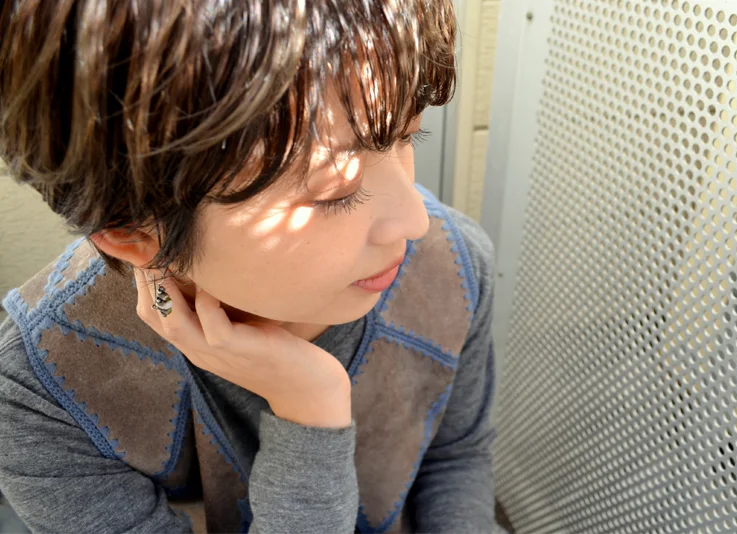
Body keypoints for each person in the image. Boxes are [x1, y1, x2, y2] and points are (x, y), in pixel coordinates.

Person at [0, 1, 503, 532]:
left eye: (407, 136)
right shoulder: (43, 391)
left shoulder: (452, 265)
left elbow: (455, 458)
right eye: (336, 192)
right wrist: (310, 410)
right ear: (134, 234)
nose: (414, 221)